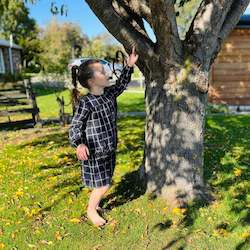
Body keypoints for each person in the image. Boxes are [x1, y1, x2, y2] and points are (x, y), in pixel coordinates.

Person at [68, 46, 139, 228]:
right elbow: (75, 126)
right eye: (102, 71)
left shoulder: (109, 94)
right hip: (94, 151)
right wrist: (79, 144)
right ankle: (91, 210)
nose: (107, 72)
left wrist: (129, 66)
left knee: (103, 179)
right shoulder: (86, 102)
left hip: (109, 148)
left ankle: (96, 203)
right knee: (104, 184)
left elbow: (122, 83)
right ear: (92, 81)